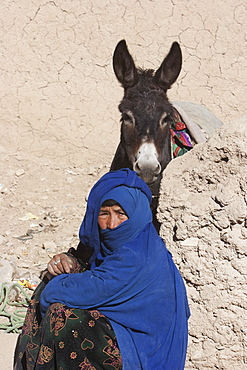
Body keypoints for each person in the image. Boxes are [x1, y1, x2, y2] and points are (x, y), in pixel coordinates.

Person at [14, 168, 190, 370]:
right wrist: (65, 262)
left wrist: (52, 287)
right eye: (104, 213)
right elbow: (86, 263)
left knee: (62, 315)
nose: (112, 224)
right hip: (118, 329)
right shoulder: (112, 246)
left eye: (121, 214)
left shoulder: (137, 253)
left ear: (138, 214)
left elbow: (93, 288)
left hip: (141, 348)